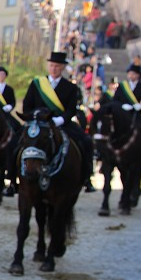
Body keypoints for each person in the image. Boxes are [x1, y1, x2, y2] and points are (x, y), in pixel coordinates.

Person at [21, 51, 94, 189]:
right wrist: (35, 116)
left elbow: (72, 109)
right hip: (38, 124)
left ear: (62, 68)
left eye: (57, 66)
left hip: (61, 123)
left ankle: (86, 177)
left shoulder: (70, 87)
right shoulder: (37, 84)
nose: (54, 69)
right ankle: (13, 179)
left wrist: (61, 119)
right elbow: (27, 106)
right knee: (16, 142)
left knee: (85, 141)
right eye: (52, 65)